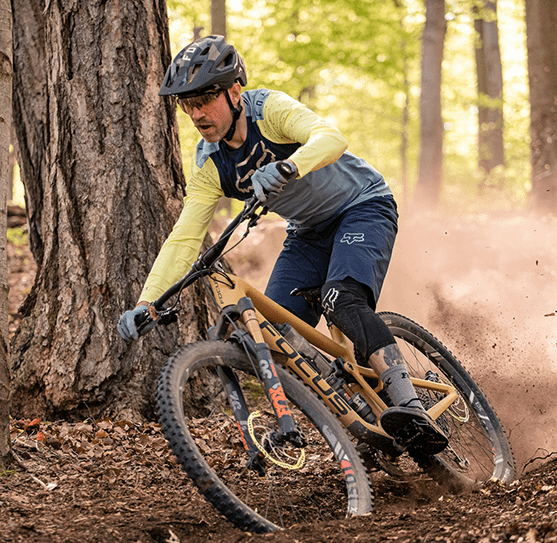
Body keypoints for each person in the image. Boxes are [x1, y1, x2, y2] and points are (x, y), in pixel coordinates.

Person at [117, 35, 447, 455]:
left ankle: (411, 407)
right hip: (307, 231)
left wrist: (288, 165)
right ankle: (356, 411)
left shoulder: (267, 110)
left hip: (361, 206)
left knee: (341, 300)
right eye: (187, 104)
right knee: (273, 333)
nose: (197, 113)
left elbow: (331, 138)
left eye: (205, 99)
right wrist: (148, 301)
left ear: (234, 91)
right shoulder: (210, 164)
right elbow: (184, 236)